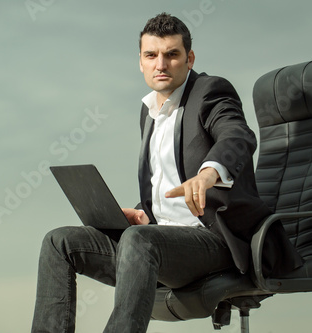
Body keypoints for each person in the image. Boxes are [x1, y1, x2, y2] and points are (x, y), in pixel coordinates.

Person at [31, 12, 302, 333]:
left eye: (171, 54)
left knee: (139, 241)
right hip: (157, 240)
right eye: (151, 55)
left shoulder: (210, 91)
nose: (161, 64)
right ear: (141, 62)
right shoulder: (149, 114)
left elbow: (237, 136)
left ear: (189, 59)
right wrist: (144, 213)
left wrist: (208, 174)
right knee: (59, 242)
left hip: (215, 242)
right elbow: (165, 182)